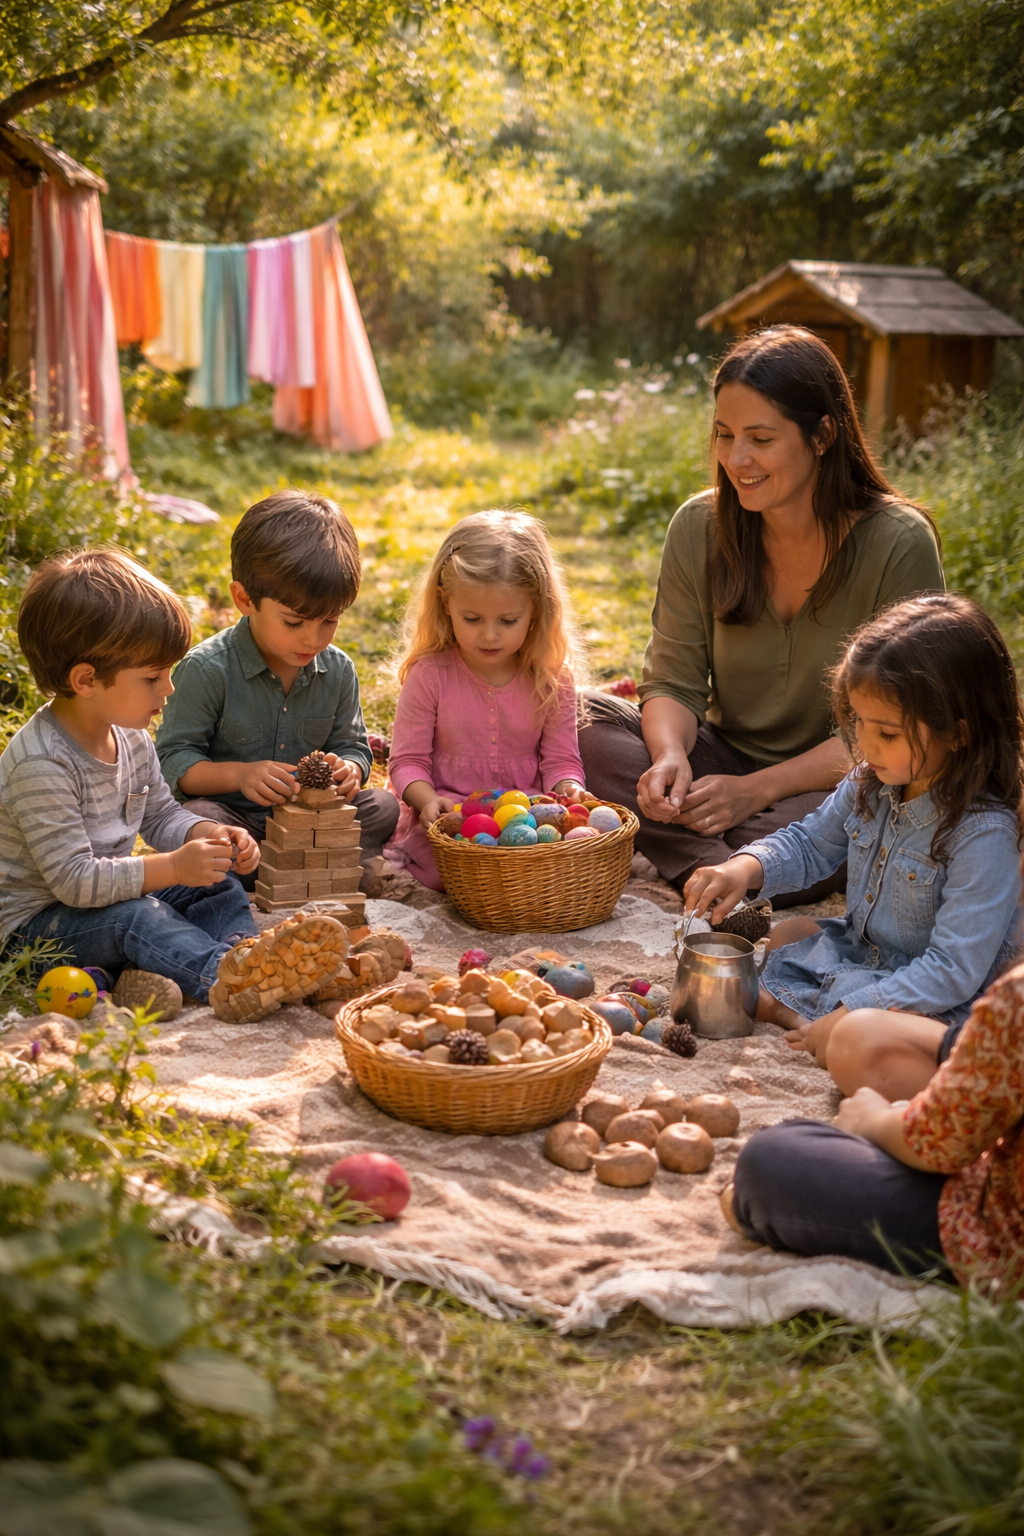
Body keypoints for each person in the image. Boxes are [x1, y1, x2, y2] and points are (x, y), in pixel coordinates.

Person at [579, 325, 944, 902]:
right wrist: (671, 756)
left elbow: (897, 726)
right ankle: (733, 870)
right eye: (724, 435)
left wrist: (754, 791)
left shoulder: (898, 543)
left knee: (864, 810)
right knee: (580, 720)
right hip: (720, 755)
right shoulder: (698, 527)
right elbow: (672, 678)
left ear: (822, 435)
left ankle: (718, 860)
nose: (736, 459)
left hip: (841, 775)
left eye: (760, 438)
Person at [684, 594, 1024, 1081]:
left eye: (886, 733)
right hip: (868, 954)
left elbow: (952, 971)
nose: (864, 745)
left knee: (856, 1043)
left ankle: (814, 1022)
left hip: (939, 995)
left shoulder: (984, 833)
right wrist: (746, 866)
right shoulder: (871, 780)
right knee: (784, 936)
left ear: (959, 733)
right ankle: (813, 1019)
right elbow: (811, 843)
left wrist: (857, 1008)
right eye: (859, 723)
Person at [0, 548, 267, 1014]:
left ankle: (244, 952)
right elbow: (74, 882)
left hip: (106, 899)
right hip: (37, 929)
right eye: (152, 677)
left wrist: (205, 836)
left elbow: (160, 813)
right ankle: (226, 979)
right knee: (140, 918)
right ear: (86, 680)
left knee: (217, 883)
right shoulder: (41, 763)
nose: (168, 689)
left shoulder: (131, 735)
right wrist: (171, 869)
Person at [725, 955, 1024, 1286]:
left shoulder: (1018, 994)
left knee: (767, 1162)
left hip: (999, 1230)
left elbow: (942, 1144)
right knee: (859, 1033)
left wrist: (874, 1120)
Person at [156, 490, 399, 889]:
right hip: (237, 822)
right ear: (244, 599)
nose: (313, 638)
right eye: (293, 622)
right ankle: (295, 870)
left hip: (312, 823)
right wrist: (239, 775)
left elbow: (353, 746)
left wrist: (349, 769)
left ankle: (321, 863)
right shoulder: (206, 669)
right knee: (201, 818)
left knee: (383, 806)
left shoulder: (337, 670)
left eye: (329, 622)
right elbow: (174, 764)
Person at [387, 509, 588, 890]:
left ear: (536, 610)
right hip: (452, 816)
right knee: (448, 871)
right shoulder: (430, 675)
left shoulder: (551, 679)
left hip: (526, 819)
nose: (490, 636)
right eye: (472, 619)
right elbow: (407, 761)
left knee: (548, 865)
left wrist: (569, 789)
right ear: (445, 603)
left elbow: (561, 760)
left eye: (507, 620)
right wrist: (427, 800)